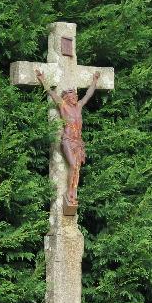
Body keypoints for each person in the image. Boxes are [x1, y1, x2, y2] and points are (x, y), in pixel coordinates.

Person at [36, 69, 100, 205]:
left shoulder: (79, 106)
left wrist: (95, 81)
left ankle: (73, 192)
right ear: (67, 98)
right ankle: (69, 192)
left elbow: (88, 94)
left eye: (75, 96)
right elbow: (51, 93)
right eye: (72, 97)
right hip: (67, 141)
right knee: (72, 165)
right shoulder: (63, 105)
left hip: (78, 143)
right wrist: (42, 80)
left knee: (77, 168)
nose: (74, 98)